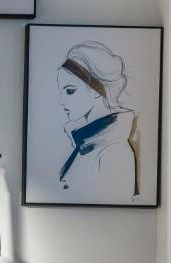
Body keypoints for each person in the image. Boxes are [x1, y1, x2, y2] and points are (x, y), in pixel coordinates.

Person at [56, 41, 141, 200]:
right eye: (61, 92)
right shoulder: (84, 143)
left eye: (70, 91)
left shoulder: (114, 151)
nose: (61, 101)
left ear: (96, 90)